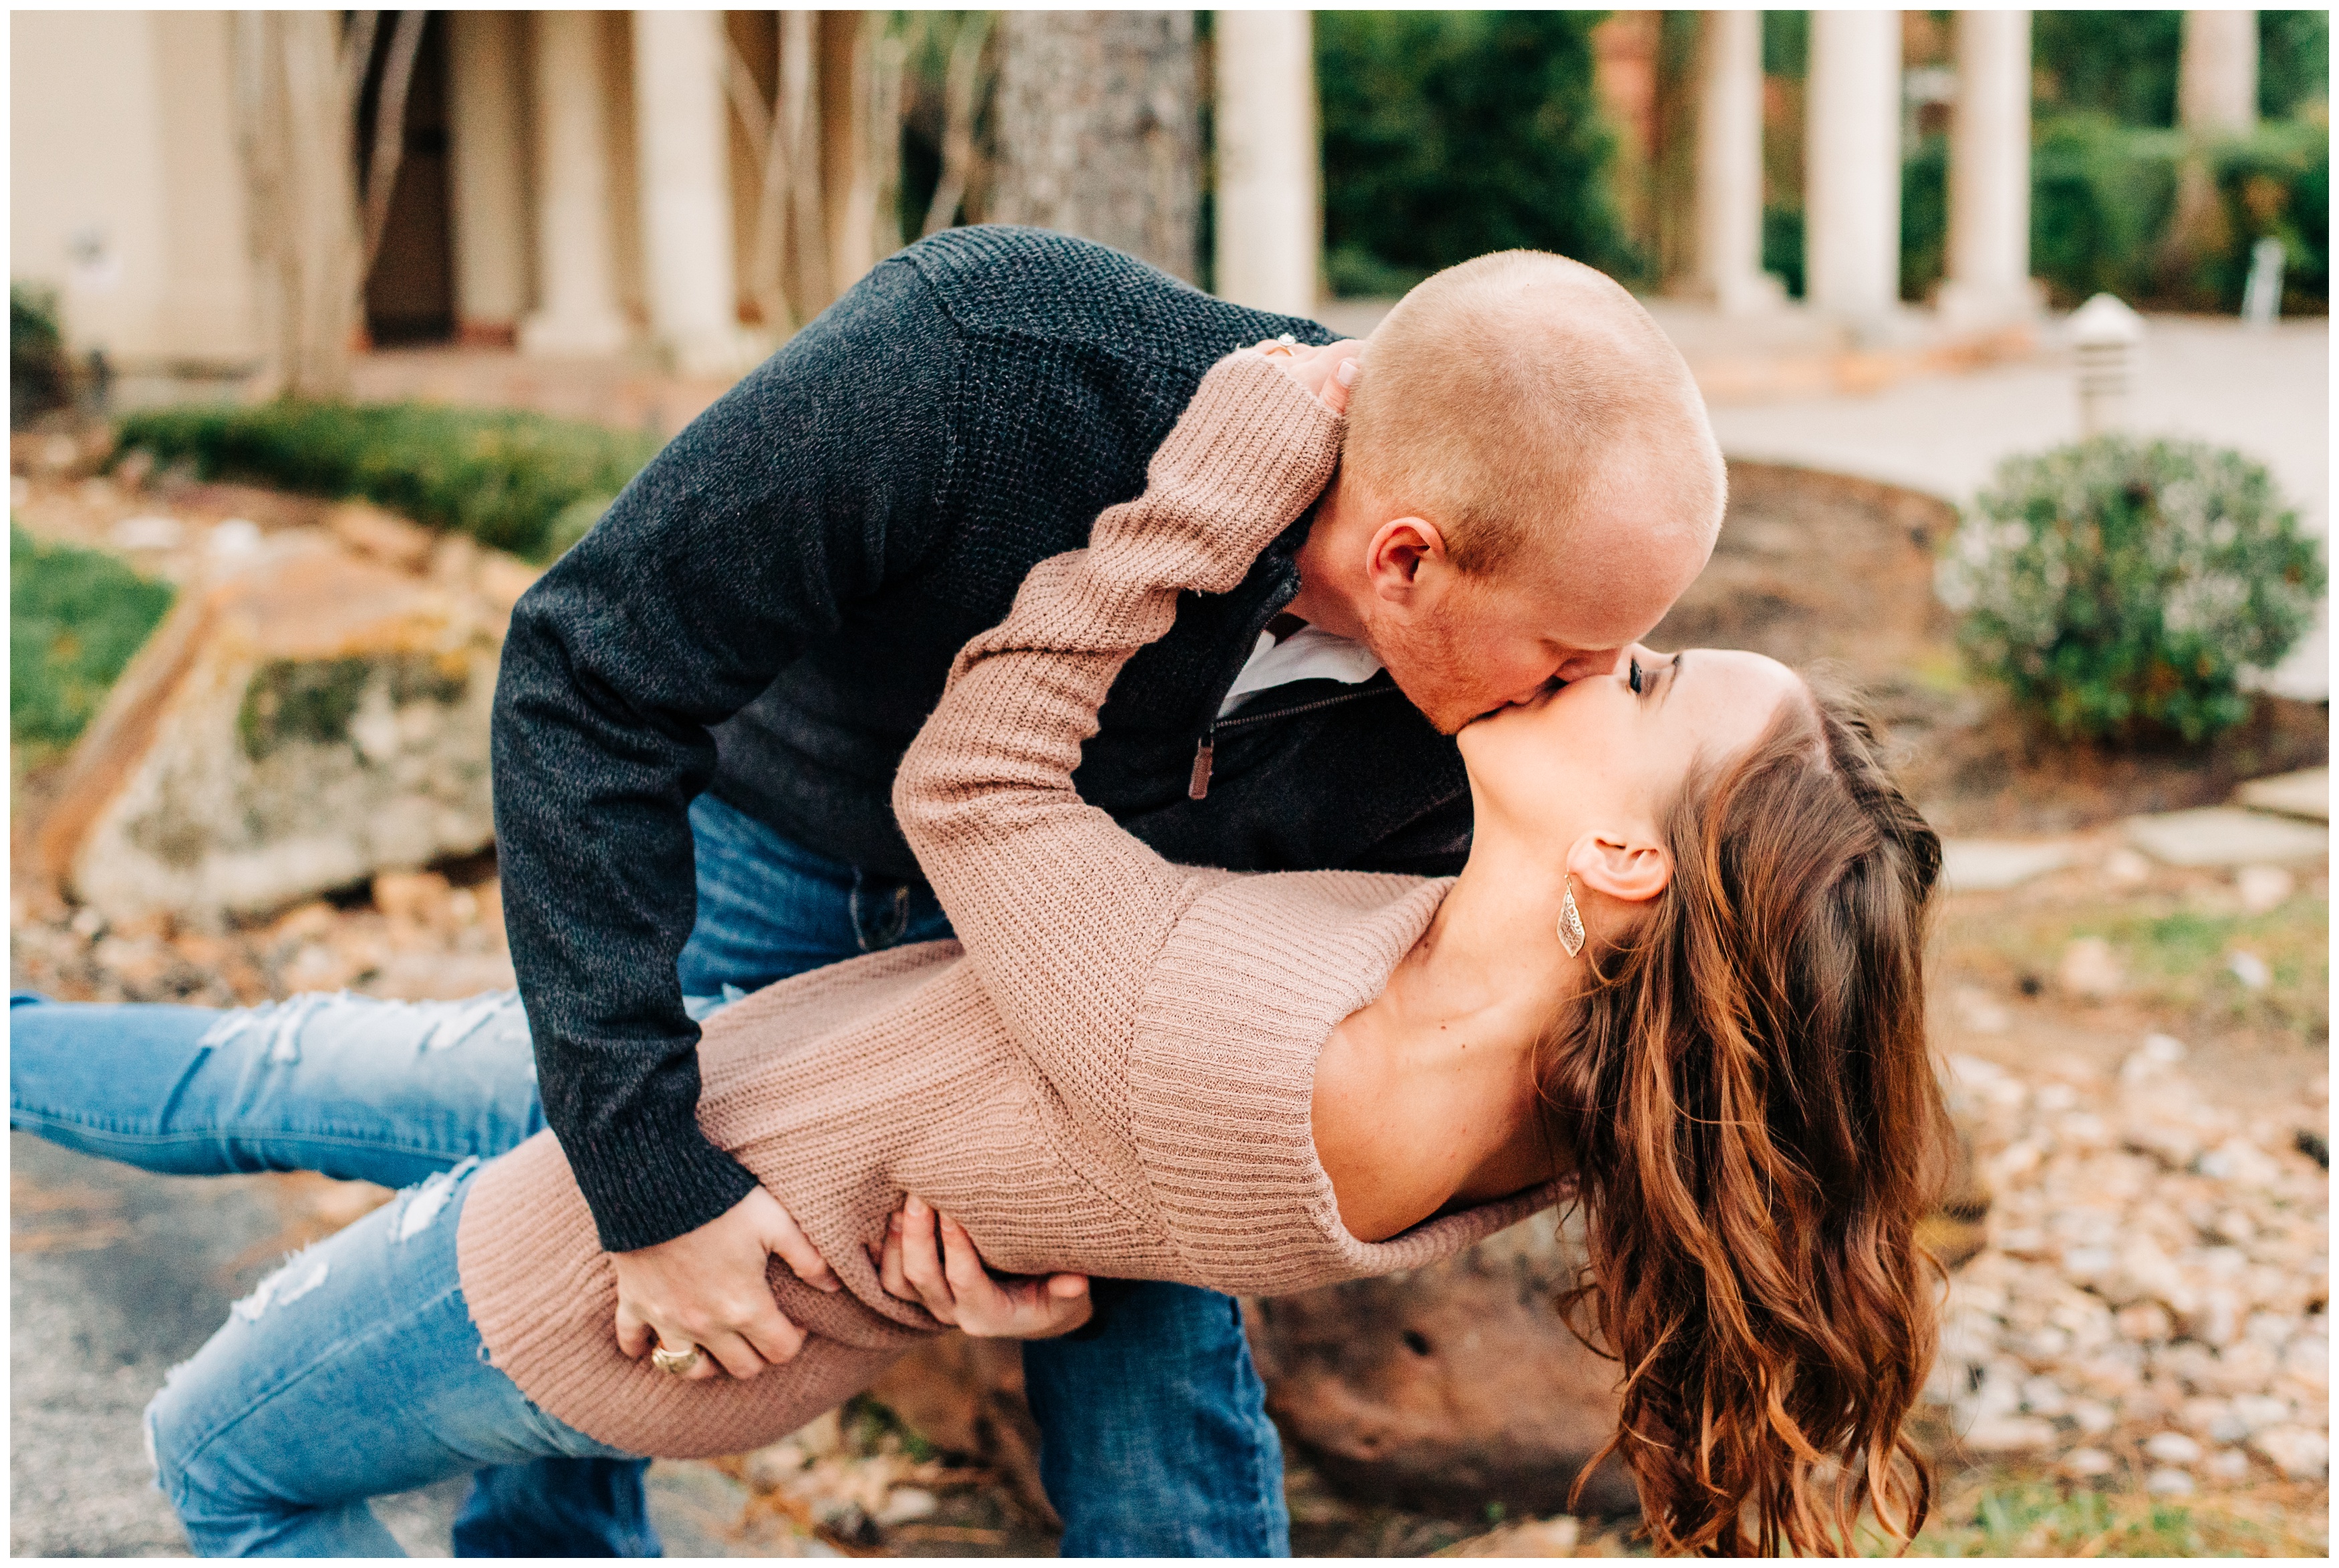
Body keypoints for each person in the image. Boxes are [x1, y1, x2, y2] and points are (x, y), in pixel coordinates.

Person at [14, 342, 1953, 1558]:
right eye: (1605, 642)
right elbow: (588, 674)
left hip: (819, 1132)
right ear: (1407, 556)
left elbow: (987, 803)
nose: (1597, 660)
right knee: (290, 1071)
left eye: (1646, 667)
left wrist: (734, 1189)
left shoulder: (1416, 881)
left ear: (1620, 859)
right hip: (825, 970)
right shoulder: (1520, 997)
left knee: (229, 1446)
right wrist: (710, 1162)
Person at [474, 227, 1725, 1555]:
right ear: (1404, 560)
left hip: (1104, 974)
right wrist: (648, 1176)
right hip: (779, 847)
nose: (1589, 695)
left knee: (1157, 1387)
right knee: (574, 1267)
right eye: (1573, 653)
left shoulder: (1494, 719)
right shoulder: (987, 360)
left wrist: (1080, 1225)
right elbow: (587, 672)